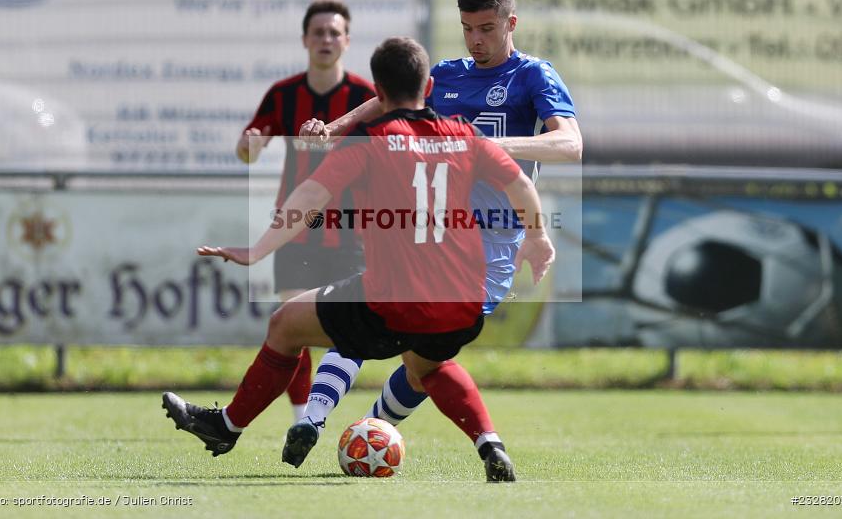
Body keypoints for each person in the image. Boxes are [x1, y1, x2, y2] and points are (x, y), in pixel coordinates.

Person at [163, 36, 555, 482]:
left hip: (390, 300)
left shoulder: (371, 141)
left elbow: (309, 196)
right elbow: (522, 187)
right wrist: (539, 238)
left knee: (286, 325)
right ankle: (491, 445)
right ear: (429, 89)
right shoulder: (465, 137)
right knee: (429, 364)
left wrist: (258, 251)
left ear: (379, 93)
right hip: (460, 303)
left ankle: (226, 427)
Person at [284, 0, 583, 466]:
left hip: (492, 247)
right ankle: (314, 419)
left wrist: (487, 148)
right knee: (365, 312)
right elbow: (385, 101)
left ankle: (372, 428)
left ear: (512, 22)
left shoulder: (532, 75)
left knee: (426, 359)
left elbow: (569, 145)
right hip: (427, 234)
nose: (477, 39)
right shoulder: (446, 73)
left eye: (487, 27)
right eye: (468, 28)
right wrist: (333, 128)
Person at [236, 0, 375, 421]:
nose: (326, 40)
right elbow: (249, 146)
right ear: (305, 40)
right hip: (295, 232)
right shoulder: (283, 94)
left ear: (347, 41)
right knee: (291, 327)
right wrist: (249, 146)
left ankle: (319, 412)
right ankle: (302, 422)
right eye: (319, 32)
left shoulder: (364, 97)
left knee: (349, 332)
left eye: (335, 32)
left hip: (350, 232)